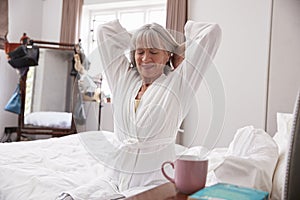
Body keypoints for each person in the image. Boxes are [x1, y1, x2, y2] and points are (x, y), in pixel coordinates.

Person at [60, 19, 221, 199]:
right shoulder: (123, 77)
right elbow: (104, 32)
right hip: (117, 175)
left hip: (155, 178)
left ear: (167, 55)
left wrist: (178, 49)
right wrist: (140, 39)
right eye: (140, 51)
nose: (145, 59)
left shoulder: (179, 83)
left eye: (153, 51)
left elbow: (211, 32)